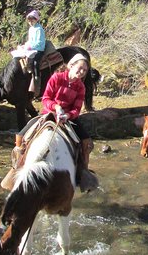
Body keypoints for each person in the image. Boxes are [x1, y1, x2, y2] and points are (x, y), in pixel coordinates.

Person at [7, 53, 98, 192]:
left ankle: (83, 172)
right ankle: (17, 168)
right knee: (21, 135)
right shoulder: (56, 77)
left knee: (85, 142)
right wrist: (56, 107)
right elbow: (46, 98)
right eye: (79, 68)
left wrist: (67, 115)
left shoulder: (81, 87)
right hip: (48, 113)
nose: (81, 72)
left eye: (84, 70)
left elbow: (77, 109)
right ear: (71, 66)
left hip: (68, 118)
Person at [18, 10, 46, 93]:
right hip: (31, 49)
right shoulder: (31, 29)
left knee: (35, 62)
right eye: (29, 20)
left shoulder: (39, 29)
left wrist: (30, 46)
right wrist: (25, 45)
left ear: (36, 19)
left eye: (32, 20)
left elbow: (39, 42)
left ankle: (37, 78)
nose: (30, 22)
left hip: (39, 49)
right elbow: (30, 40)